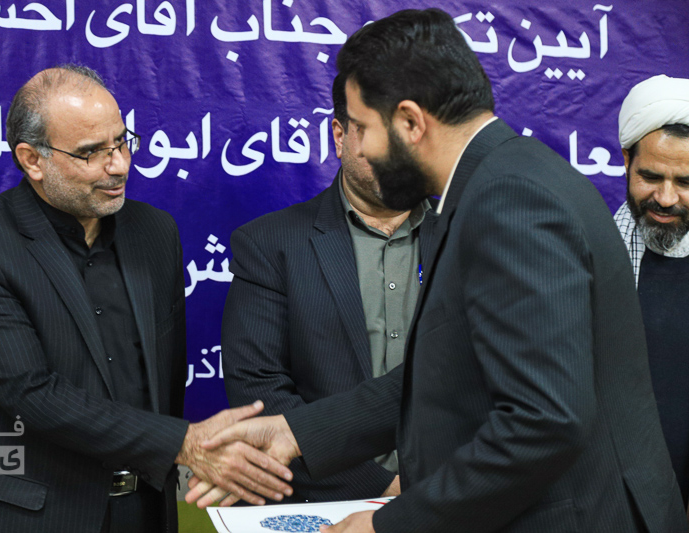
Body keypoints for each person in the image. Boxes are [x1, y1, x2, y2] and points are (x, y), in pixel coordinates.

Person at [189, 9, 687, 532]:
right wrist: (297, 433)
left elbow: (543, 423)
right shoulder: (496, 183)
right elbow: (446, 373)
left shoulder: (510, 201)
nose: (357, 147)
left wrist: (387, 526)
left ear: (410, 122)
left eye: (363, 127)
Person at [0, 65, 292, 533]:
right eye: (91, 153)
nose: (120, 165)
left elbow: (164, 381)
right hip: (31, 515)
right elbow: (33, 395)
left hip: (144, 511)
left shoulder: (155, 232)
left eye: (121, 142)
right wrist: (184, 443)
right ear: (32, 159)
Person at [222, 73, 429, 503]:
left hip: (456, 500)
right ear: (340, 136)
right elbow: (260, 391)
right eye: (377, 133)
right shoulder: (270, 244)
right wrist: (380, 488)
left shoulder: (471, 235)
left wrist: (446, 486)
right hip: (327, 505)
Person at [613, 74, 689, 506]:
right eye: (651, 176)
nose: (666, 197)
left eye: (685, 182)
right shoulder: (589, 257)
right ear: (626, 160)